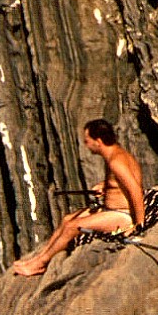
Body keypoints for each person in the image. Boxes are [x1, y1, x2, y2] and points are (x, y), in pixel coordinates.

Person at [10, 118, 146, 277]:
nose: (86, 145)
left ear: (98, 141)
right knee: (68, 219)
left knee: (72, 227)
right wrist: (106, 186)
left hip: (122, 215)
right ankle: (37, 259)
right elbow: (122, 180)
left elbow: (135, 189)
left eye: (87, 141)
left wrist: (138, 224)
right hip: (111, 209)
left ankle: (40, 264)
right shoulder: (115, 154)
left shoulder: (116, 161)